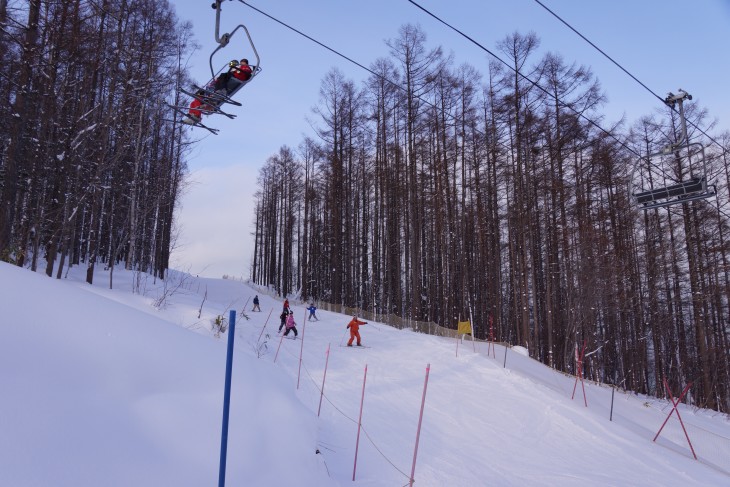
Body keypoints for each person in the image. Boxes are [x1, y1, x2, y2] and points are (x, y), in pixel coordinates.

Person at [184, 58, 253, 124]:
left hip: (232, 79)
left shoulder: (246, 68)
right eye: (241, 63)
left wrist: (236, 69)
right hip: (220, 84)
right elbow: (233, 69)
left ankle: (203, 109)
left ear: (245, 63)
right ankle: (193, 115)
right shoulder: (239, 68)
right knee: (195, 100)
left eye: (242, 62)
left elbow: (245, 73)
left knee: (222, 75)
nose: (241, 64)